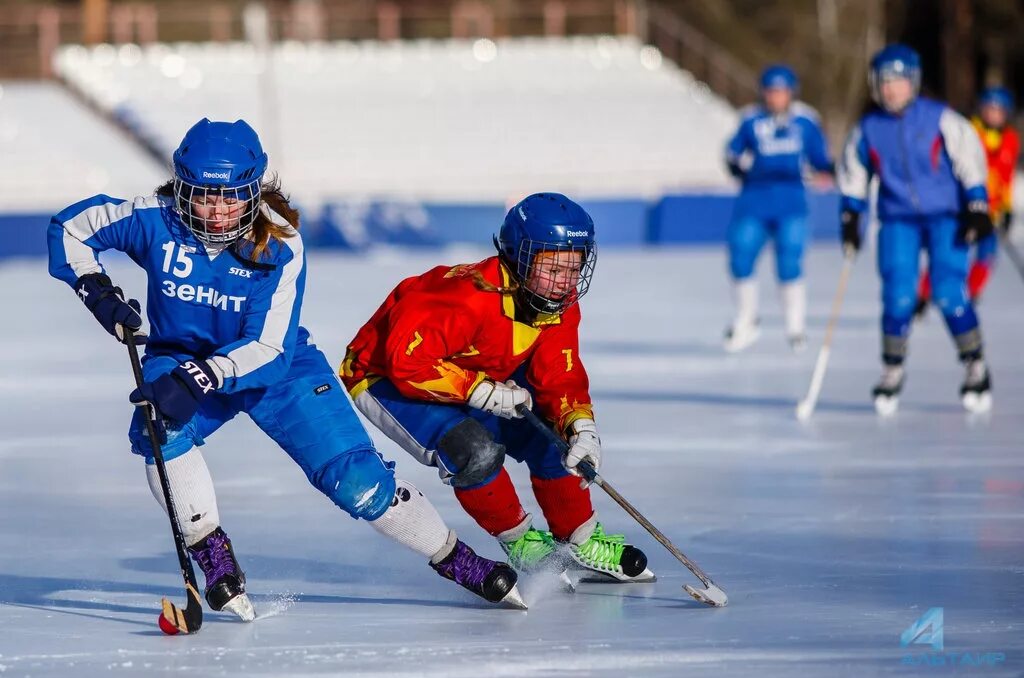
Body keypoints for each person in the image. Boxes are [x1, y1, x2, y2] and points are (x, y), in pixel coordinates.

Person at [46, 118, 525, 619]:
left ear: (255, 189)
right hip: (183, 354)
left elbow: (269, 348)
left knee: (356, 481)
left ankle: (455, 558)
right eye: (203, 196)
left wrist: (203, 377)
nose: (217, 211)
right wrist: (96, 291)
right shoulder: (154, 219)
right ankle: (212, 554)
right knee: (157, 429)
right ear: (180, 186)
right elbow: (71, 229)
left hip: (278, 367)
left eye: (231, 196)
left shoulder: (281, 243)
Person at [339, 193, 654, 583]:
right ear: (518, 257)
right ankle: (520, 540)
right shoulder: (464, 299)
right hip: (385, 375)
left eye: (574, 269)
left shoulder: (559, 304)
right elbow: (408, 361)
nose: (565, 283)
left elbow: (559, 373)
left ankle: (580, 537)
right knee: (473, 450)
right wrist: (482, 391)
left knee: (556, 434)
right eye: (553, 268)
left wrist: (580, 425)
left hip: (475, 374)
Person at [837, 45, 994, 415]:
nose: (892, 90)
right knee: (898, 294)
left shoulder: (941, 119)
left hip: (946, 216)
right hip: (897, 219)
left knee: (948, 290)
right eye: (885, 82)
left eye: (899, 82)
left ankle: (975, 364)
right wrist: (850, 216)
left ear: (914, 83)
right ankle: (892, 369)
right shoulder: (869, 130)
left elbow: (969, 159)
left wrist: (976, 203)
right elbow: (854, 175)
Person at [722, 64, 835, 352]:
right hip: (755, 200)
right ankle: (748, 319)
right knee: (741, 256)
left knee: (789, 261)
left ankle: (795, 327)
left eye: (781, 92)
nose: (776, 97)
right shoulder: (751, 119)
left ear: (791, 93)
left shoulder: (806, 120)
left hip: (791, 202)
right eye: (771, 91)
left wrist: (830, 167)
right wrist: (735, 164)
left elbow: (820, 157)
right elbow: (733, 153)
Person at [916, 85, 1019, 315]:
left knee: (987, 256)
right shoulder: (970, 131)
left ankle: (969, 296)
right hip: (965, 208)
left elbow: (1006, 178)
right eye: (989, 109)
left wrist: (1007, 208)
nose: (993, 114)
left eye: (998, 110)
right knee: (947, 255)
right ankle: (921, 294)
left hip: (991, 213)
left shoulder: (1011, 140)